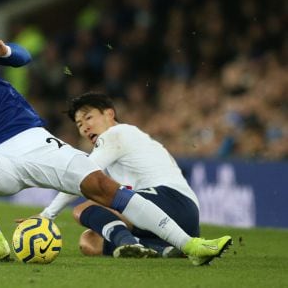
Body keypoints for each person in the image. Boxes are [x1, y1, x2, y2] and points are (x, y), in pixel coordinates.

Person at [0, 21, 232, 265]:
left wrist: (4, 50)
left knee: (104, 187)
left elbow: (22, 57)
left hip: (34, 139)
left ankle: (190, 245)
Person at [38, 92, 200, 259]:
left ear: (109, 114)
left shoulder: (117, 133)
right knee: (90, 242)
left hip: (172, 200)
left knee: (83, 209)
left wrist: (47, 215)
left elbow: (81, 176)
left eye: (88, 118)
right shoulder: (118, 149)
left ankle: (128, 242)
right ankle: (161, 249)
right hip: (183, 219)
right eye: (79, 124)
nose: (84, 127)